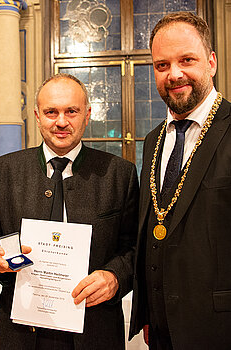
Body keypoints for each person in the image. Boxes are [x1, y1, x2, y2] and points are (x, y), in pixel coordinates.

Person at [0, 73, 139, 349]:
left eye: (71, 111)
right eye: (51, 112)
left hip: (94, 328)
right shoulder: (4, 171)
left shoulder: (118, 174)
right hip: (21, 330)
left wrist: (115, 277)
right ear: (37, 116)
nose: (61, 122)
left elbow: (134, 245)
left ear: (86, 115)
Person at [129, 12, 231, 350]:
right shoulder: (152, 140)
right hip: (160, 329)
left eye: (187, 60)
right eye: (161, 65)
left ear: (211, 62)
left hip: (219, 328)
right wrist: (148, 309)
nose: (174, 74)